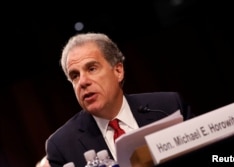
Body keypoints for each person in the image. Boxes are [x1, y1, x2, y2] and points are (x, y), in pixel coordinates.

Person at [45, 32, 194, 167]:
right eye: (75, 76)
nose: (83, 82)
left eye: (92, 68)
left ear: (118, 71)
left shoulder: (168, 107)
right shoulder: (62, 146)